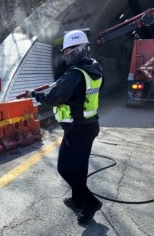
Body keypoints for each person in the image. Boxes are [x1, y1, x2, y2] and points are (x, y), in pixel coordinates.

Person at [25, 30, 104, 225]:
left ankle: (90, 202)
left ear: (77, 50)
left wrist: (34, 94)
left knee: (65, 169)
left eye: (68, 50)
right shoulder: (94, 67)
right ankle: (77, 200)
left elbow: (53, 98)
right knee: (80, 166)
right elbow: (83, 92)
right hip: (91, 125)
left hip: (77, 129)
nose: (65, 54)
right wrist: (65, 83)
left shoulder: (74, 75)